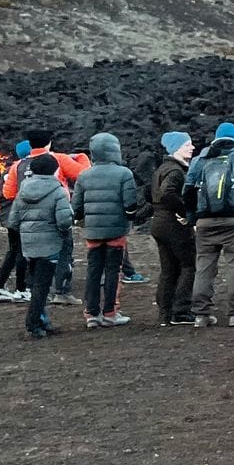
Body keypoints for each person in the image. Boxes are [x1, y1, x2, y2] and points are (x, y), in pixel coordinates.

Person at [186, 121, 234, 328]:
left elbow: (188, 191)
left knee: (203, 267)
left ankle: (201, 314)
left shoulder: (199, 160)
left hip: (204, 222)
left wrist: (192, 219)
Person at [70, 132, 143, 328]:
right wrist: (129, 218)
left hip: (93, 232)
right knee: (113, 271)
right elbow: (130, 204)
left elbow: (75, 208)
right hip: (116, 230)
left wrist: (82, 220)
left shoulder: (84, 175)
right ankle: (110, 312)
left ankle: (91, 314)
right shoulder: (124, 173)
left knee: (93, 271)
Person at [22, 130, 86, 304]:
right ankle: (62, 291)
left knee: (33, 255)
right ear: (49, 143)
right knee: (64, 252)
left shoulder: (19, 165)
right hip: (56, 215)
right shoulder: (59, 159)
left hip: (28, 218)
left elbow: (9, 192)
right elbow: (84, 175)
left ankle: (34, 290)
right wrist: (82, 158)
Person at [13, 154, 73, 339]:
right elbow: (64, 221)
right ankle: (33, 324)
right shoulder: (58, 191)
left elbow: (13, 220)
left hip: (29, 245)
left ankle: (41, 321)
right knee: (42, 287)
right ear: (55, 170)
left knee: (36, 285)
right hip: (49, 245)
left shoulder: (23, 190)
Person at [149, 132, 198, 326]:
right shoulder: (176, 171)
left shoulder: (162, 168)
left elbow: (151, 193)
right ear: (176, 148)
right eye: (188, 144)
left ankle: (165, 312)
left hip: (159, 222)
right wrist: (185, 211)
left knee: (168, 269)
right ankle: (181, 311)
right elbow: (167, 193)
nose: (192, 147)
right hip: (174, 224)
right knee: (188, 265)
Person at [0, 139, 32, 303]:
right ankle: (21, 289)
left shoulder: (9, 169)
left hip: (8, 215)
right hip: (18, 214)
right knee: (22, 252)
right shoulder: (25, 169)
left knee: (13, 251)